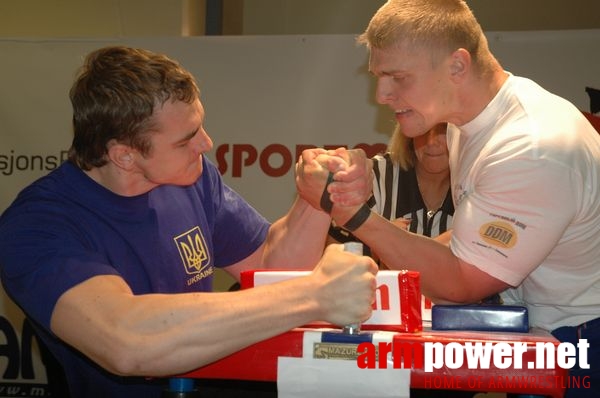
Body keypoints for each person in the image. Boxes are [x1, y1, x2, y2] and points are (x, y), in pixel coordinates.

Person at [0, 46, 378, 398]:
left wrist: (317, 199)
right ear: (124, 156)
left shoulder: (191, 178)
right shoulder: (37, 225)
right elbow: (128, 341)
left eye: (200, 126)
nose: (206, 144)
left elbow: (269, 267)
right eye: (186, 140)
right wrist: (314, 295)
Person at [296, 1, 600, 396]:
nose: (383, 94)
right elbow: (468, 243)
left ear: (457, 65)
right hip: (549, 326)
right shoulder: (470, 121)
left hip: (583, 340)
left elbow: (460, 281)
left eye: (397, 77)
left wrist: (353, 214)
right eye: (378, 76)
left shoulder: (531, 147)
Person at [329, 122, 453, 254]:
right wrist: (377, 245)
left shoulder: (474, 182)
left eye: (443, 129)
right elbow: (334, 252)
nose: (431, 141)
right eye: (423, 128)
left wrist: (390, 242)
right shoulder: (374, 176)